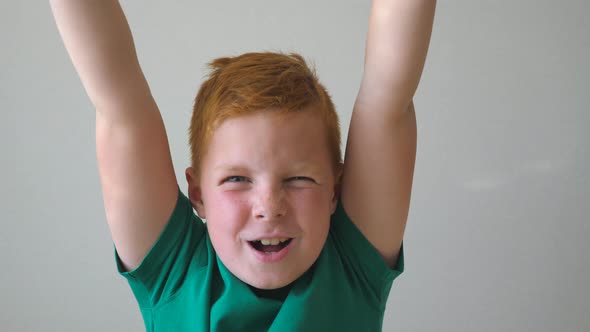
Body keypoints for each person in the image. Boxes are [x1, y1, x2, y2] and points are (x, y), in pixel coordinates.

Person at [50, 0, 436, 330]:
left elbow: (388, 95)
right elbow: (120, 106)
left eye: (299, 178)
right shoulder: (176, 274)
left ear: (335, 189)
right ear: (198, 193)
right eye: (237, 179)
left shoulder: (351, 268)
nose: (269, 205)